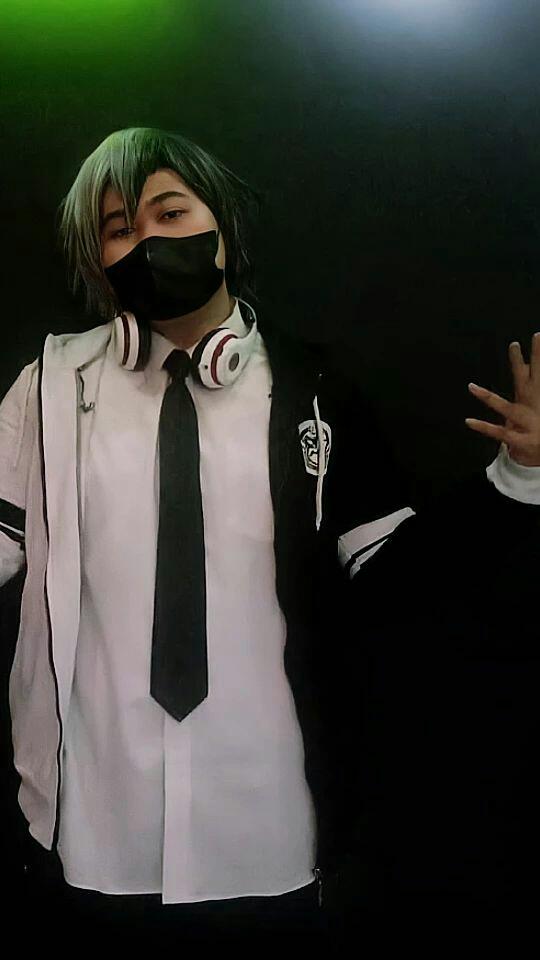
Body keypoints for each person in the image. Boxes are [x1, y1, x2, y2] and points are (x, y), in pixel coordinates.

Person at [0, 126, 539, 941]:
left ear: (222, 223)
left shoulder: (316, 388)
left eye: (170, 212)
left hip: (269, 821)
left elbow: (398, 573)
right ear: (96, 260)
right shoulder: (46, 390)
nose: (147, 241)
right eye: (118, 229)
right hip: (96, 821)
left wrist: (518, 476)